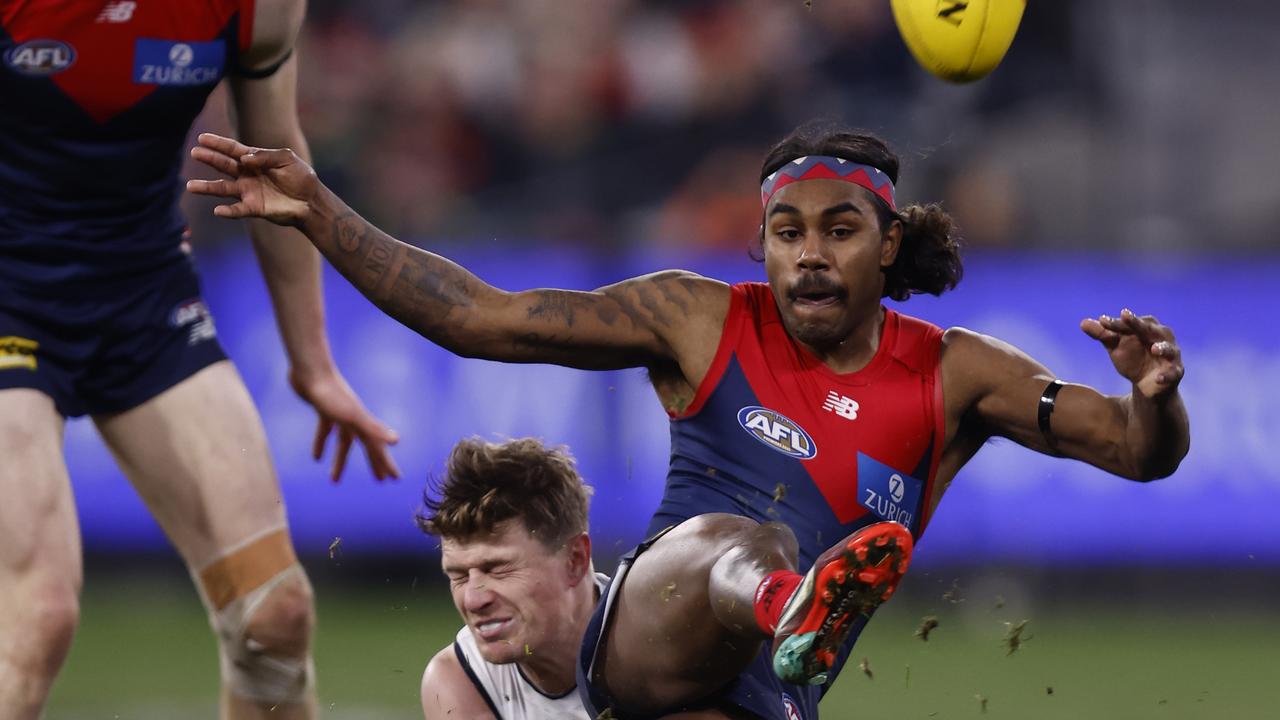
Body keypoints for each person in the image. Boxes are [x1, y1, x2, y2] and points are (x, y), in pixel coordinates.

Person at [187, 124, 1189, 720]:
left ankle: (794, 612)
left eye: (839, 231)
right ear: (758, 246)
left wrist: (1155, 398)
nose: (808, 254)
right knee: (734, 544)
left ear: (887, 248)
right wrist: (320, 211)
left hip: (762, 701)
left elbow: (1137, 457)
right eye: (786, 232)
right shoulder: (698, 319)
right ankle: (788, 597)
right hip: (642, 645)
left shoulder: (957, 373)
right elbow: (476, 318)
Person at [0, 1, 399, 718]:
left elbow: (276, 157)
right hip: (8, 297)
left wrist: (313, 362)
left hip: (144, 298)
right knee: (36, 616)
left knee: (274, 617)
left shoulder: (259, 7)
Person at [417, 436, 605, 719]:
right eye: (458, 576)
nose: (473, 599)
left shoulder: (660, 643)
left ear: (574, 560)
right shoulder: (461, 681)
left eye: (497, 569)